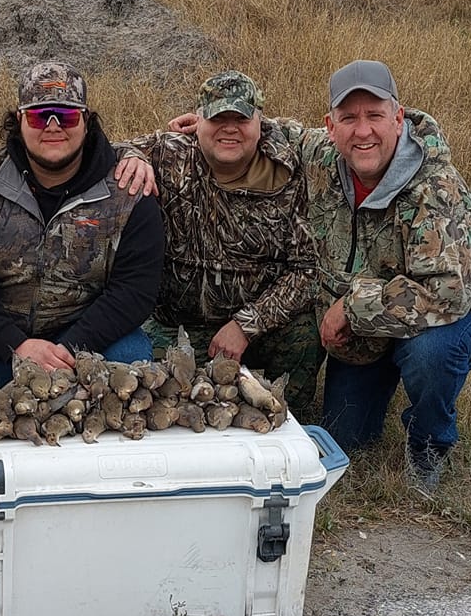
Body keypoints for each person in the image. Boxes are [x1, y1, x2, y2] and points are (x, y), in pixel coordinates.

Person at [305, 60, 471, 487]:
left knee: (431, 354)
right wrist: (212, 127)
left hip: (453, 318)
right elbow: (278, 133)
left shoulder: (436, 189)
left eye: (375, 115)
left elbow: (448, 296)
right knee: (347, 439)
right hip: (375, 328)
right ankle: (385, 374)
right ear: (330, 126)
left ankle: (429, 441)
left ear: (398, 118)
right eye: (349, 118)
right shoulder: (325, 158)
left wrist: (351, 307)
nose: (362, 131)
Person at [0, 59, 164, 385]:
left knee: (130, 360)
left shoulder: (128, 189)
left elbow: (136, 288)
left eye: (66, 115)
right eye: (40, 115)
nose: (53, 126)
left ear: (85, 120)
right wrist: (15, 345)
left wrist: (68, 351)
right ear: (19, 120)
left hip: (89, 342)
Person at [119, 71, 321, 414]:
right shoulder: (170, 154)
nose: (230, 128)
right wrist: (131, 154)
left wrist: (246, 325)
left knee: (304, 334)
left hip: (260, 326)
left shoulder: (289, 171)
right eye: (217, 118)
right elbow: (109, 151)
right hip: (177, 323)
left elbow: (306, 270)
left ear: (260, 122)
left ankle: (286, 421)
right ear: (198, 120)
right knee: (149, 394)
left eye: (241, 118)